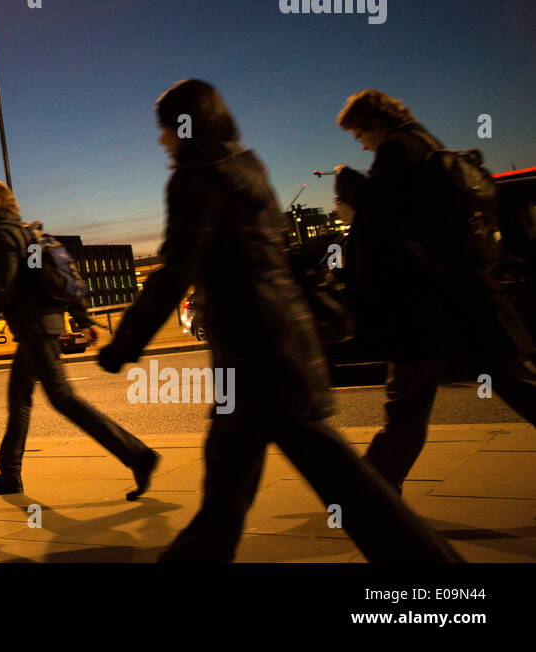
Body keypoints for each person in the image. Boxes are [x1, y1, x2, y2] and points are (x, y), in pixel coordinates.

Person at [97, 79, 460, 562]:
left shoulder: (195, 178)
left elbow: (174, 272)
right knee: (227, 500)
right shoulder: (248, 167)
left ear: (184, 127)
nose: (161, 139)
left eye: (164, 129)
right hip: (280, 347)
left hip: (257, 362)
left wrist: (123, 345)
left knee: (355, 498)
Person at [334, 89, 536, 493]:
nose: (362, 143)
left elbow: (385, 210)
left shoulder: (396, 149)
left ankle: (370, 499)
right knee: (513, 382)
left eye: (360, 135)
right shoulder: (426, 142)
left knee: (406, 408)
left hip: (426, 305)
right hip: (468, 296)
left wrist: (348, 182)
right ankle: (373, 494)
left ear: (374, 123)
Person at [0, 180, 159, 498]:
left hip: (35, 328)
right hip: (44, 324)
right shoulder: (28, 233)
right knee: (19, 397)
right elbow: (47, 277)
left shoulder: (3, 234)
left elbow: (5, 287)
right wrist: (83, 318)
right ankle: (10, 473)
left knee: (63, 398)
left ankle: (137, 455)